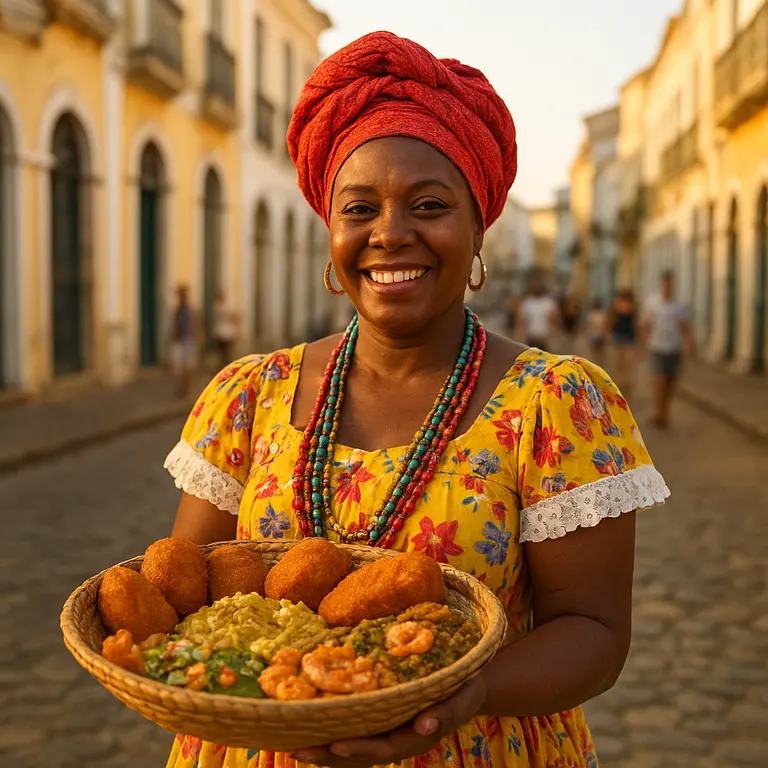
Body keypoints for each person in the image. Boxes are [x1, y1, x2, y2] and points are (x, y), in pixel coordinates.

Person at [163, 32, 669, 768]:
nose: (389, 234)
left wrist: (462, 693)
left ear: (477, 226)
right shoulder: (247, 398)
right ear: (332, 232)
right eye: (359, 208)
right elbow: (187, 589)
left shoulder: (555, 405)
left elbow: (592, 630)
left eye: (428, 205)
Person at [642, 271, 692, 429]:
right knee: (658, 382)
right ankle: (658, 413)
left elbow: (685, 328)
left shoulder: (679, 306)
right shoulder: (652, 303)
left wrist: (688, 349)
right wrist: (644, 343)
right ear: (660, 284)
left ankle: (665, 412)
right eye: (664, 283)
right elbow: (646, 324)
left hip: (674, 349)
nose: (667, 287)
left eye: (670, 284)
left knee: (670, 382)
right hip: (658, 347)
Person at [610, 289, 639, 400]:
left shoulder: (633, 309)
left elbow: (635, 324)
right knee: (618, 365)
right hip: (618, 338)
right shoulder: (616, 309)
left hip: (629, 340)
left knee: (627, 366)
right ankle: (619, 389)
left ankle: (626, 390)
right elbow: (611, 322)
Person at [169, 285, 197, 398]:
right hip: (180, 340)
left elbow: (194, 324)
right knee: (180, 367)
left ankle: (185, 387)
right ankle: (182, 387)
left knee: (187, 366)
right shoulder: (177, 310)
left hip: (187, 339)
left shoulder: (189, 310)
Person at [518, 283, 559, 351]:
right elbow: (521, 318)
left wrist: (555, 330)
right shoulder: (527, 302)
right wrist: (520, 332)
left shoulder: (547, 302)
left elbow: (554, 317)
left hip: (544, 335)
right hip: (531, 334)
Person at [212, 288, 240, 370]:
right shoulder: (220, 307)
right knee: (224, 355)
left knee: (224, 354)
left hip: (224, 334)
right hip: (223, 334)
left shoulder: (220, 307)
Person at [585, 299, 608, 367]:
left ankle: (595, 363)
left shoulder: (591, 314)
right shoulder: (602, 314)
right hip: (600, 334)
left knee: (594, 351)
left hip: (593, 334)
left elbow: (588, 325)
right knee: (600, 351)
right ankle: (600, 363)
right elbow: (605, 325)